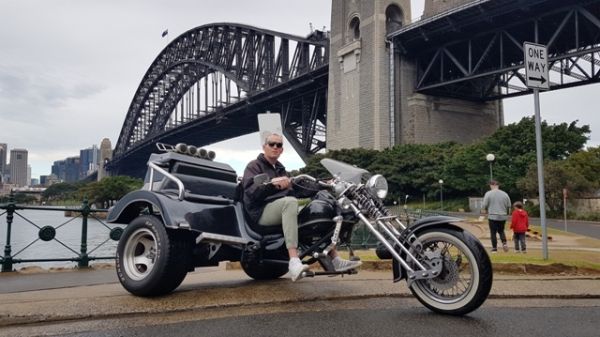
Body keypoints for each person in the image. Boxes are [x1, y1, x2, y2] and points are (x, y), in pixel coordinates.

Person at [242, 132, 361, 281]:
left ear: (282, 150)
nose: (275, 147)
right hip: (260, 211)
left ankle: (335, 258)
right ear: (264, 147)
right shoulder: (254, 166)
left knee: (319, 207)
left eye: (278, 145)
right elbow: (251, 192)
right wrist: (273, 185)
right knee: (290, 202)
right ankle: (294, 261)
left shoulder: (280, 169)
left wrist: (324, 185)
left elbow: (297, 189)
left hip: (282, 209)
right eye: (271, 144)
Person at [482, 180, 511, 253]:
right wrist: (507, 214)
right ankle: (504, 243)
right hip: (503, 216)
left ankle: (494, 248)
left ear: (492, 185)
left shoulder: (488, 193)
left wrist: (484, 210)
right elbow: (509, 205)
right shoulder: (505, 194)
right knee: (501, 231)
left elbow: (484, 204)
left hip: (492, 216)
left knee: (493, 232)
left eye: (490, 185)